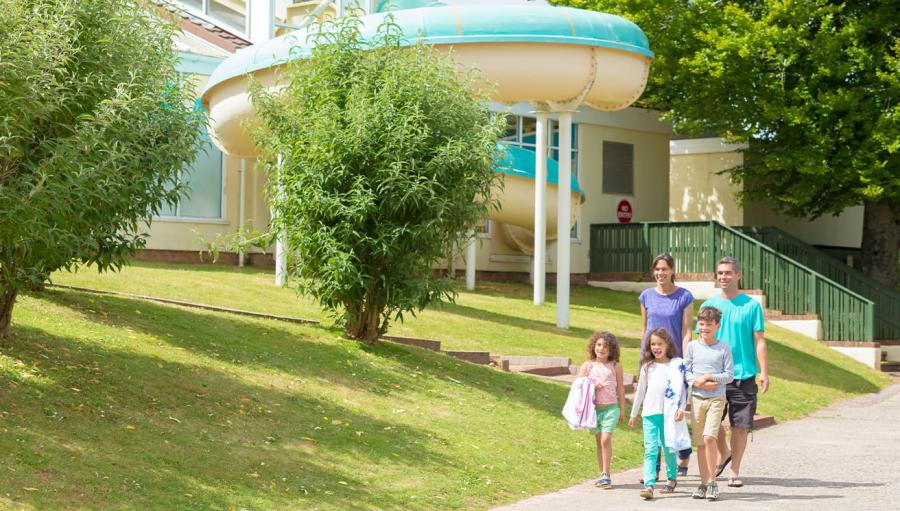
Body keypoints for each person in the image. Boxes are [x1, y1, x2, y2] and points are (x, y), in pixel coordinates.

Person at [700, 256, 769, 488]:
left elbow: (759, 340)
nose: (723, 277)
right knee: (712, 423)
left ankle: (734, 470)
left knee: (740, 425)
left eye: (728, 273)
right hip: (714, 376)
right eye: (720, 273)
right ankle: (724, 452)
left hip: (743, 376)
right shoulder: (708, 306)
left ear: (738, 275)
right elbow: (702, 340)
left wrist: (764, 371)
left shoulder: (751, 306)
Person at [638, 252, 694, 476]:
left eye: (664, 269)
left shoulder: (684, 296)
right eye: (657, 269)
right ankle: (654, 466)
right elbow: (645, 329)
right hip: (651, 360)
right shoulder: (646, 296)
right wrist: (643, 358)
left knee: (673, 411)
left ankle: (683, 452)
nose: (660, 273)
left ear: (672, 271)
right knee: (653, 411)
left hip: (674, 363)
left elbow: (686, 330)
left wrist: (684, 359)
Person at [629, 328, 690, 500]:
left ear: (667, 344)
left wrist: (681, 409)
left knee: (668, 447)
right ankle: (649, 485)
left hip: (669, 414)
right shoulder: (647, 367)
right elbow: (640, 391)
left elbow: (683, 391)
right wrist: (634, 414)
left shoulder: (676, 365)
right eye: (653, 344)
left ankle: (671, 478)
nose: (656, 347)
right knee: (650, 449)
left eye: (659, 344)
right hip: (650, 413)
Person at [684, 306, 734, 501]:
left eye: (709, 325)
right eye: (702, 324)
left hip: (716, 398)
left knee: (709, 437)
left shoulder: (724, 348)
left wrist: (710, 377)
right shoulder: (692, 347)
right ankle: (703, 483)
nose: (704, 328)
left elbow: (729, 375)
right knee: (700, 444)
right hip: (697, 398)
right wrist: (695, 381)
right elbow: (686, 371)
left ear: (717, 326)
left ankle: (713, 482)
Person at [577, 332, 626, 489]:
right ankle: (603, 474)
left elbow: (621, 389)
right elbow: (578, 386)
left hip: (611, 408)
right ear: (593, 347)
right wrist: (592, 386)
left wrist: (623, 409)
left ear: (612, 350)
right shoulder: (587, 366)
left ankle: (606, 474)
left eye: (606, 346)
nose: (602, 348)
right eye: (599, 345)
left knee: (606, 439)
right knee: (599, 442)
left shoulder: (615, 366)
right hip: (594, 411)